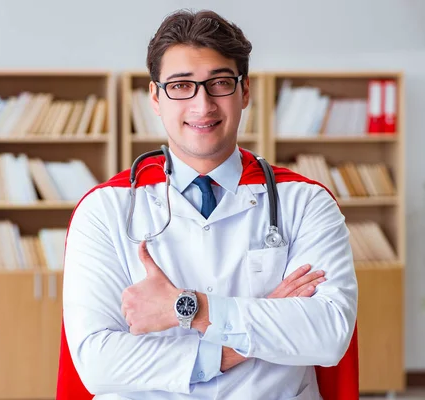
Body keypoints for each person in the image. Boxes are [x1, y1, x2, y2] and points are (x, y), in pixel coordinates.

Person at [58, 8, 358, 400]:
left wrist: (192, 308)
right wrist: (247, 335)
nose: (203, 106)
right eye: (181, 86)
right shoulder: (104, 210)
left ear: (244, 91)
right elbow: (98, 365)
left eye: (219, 83)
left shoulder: (306, 202)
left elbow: (328, 332)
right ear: (155, 96)